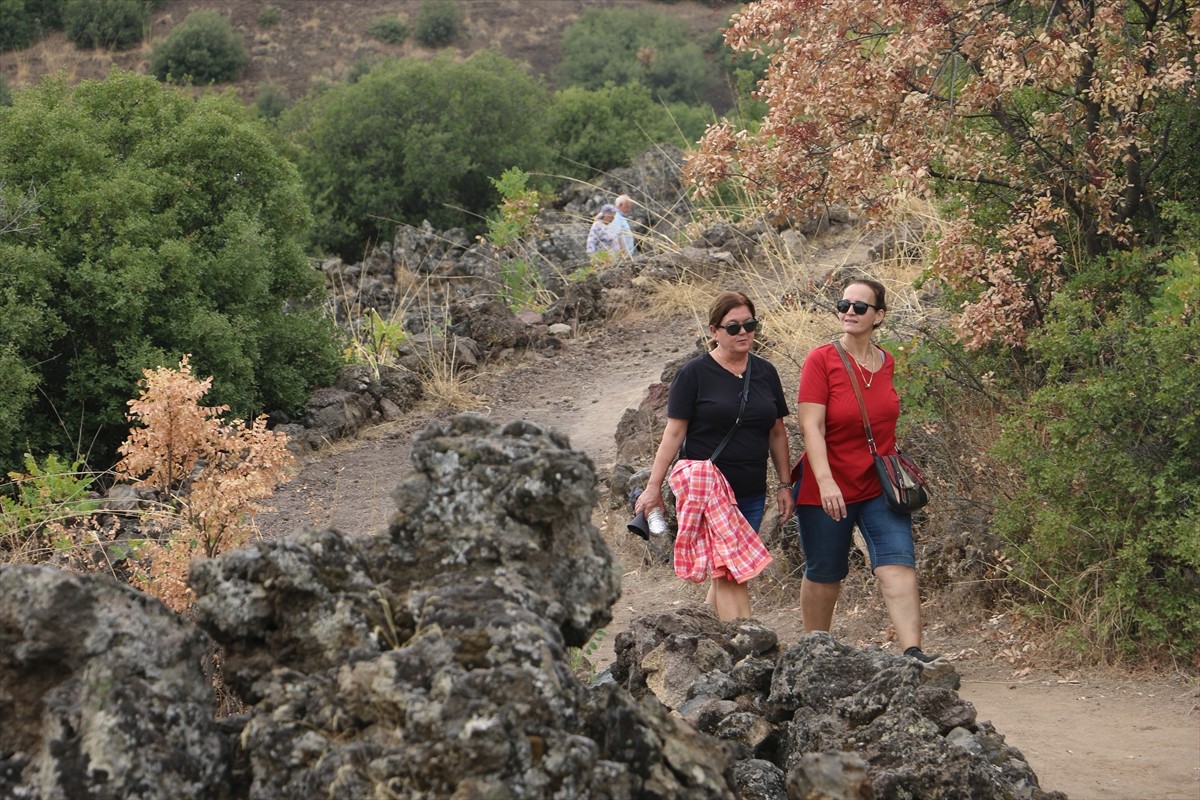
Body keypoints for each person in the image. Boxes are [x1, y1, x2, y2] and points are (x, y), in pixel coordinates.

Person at [793, 278, 939, 663]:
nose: (850, 312)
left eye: (860, 307)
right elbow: (811, 425)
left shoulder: (887, 362)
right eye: (844, 305)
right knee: (826, 572)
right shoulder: (820, 360)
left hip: (879, 483)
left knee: (897, 562)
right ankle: (815, 651)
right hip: (827, 484)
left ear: (879, 316)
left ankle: (913, 653)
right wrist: (825, 481)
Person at [635, 291, 794, 620]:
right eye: (733, 327)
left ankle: (705, 629)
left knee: (727, 567)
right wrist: (653, 486)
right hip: (707, 492)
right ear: (714, 331)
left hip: (749, 492)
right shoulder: (693, 374)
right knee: (733, 570)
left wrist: (784, 484)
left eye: (749, 324)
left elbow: (776, 432)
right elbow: (674, 433)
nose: (743, 333)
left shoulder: (765, 372)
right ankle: (746, 638)